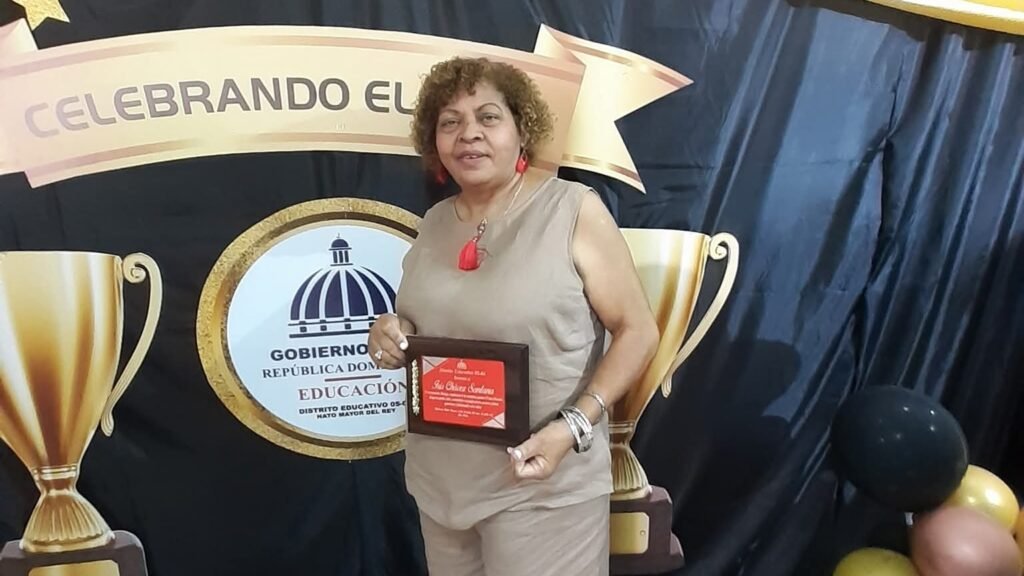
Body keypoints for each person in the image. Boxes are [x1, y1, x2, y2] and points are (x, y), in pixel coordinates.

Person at [367, 56, 659, 576]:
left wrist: (574, 425)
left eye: (488, 117)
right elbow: (423, 325)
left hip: (541, 484)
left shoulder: (572, 209)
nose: (469, 134)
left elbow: (638, 331)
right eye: (450, 122)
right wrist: (393, 333)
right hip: (441, 487)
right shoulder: (434, 222)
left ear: (523, 131)